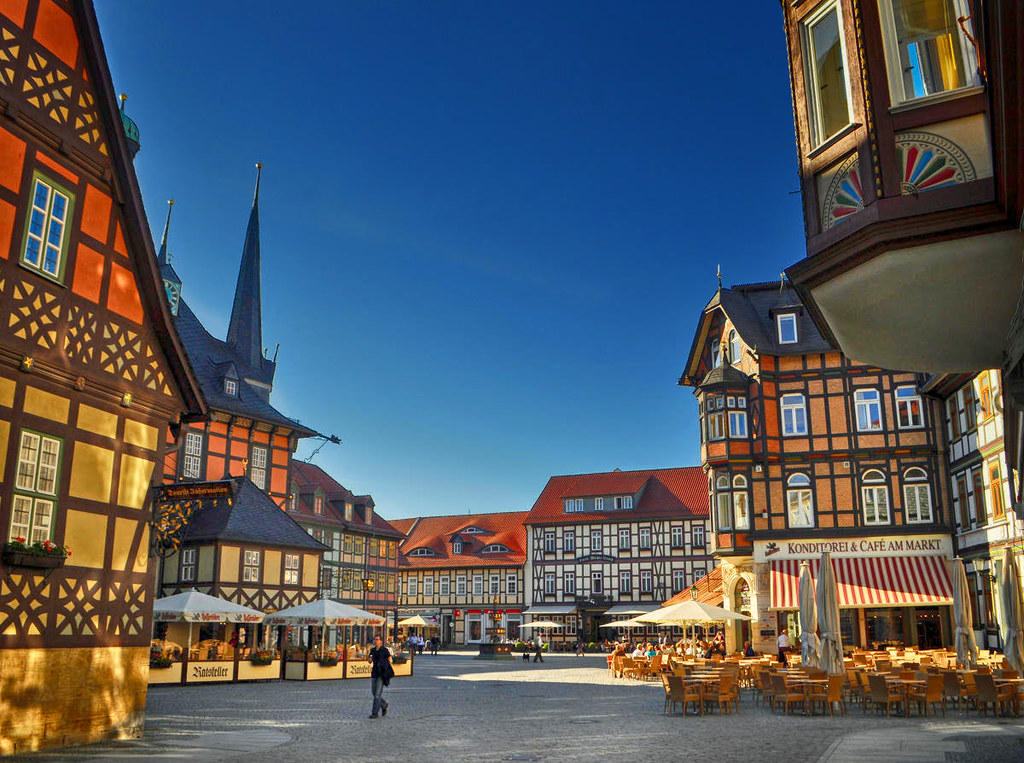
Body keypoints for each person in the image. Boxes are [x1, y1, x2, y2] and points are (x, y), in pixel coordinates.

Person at [367, 635, 393, 719]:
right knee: (374, 693)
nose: (376, 641)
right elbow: (369, 661)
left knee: (377, 695)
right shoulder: (373, 650)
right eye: (375, 639)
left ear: (381, 641)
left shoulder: (384, 650)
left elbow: (390, 660)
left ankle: (374, 713)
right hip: (374, 673)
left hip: (381, 674)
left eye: (377, 639)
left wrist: (385, 664)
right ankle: (384, 704)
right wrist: (369, 658)